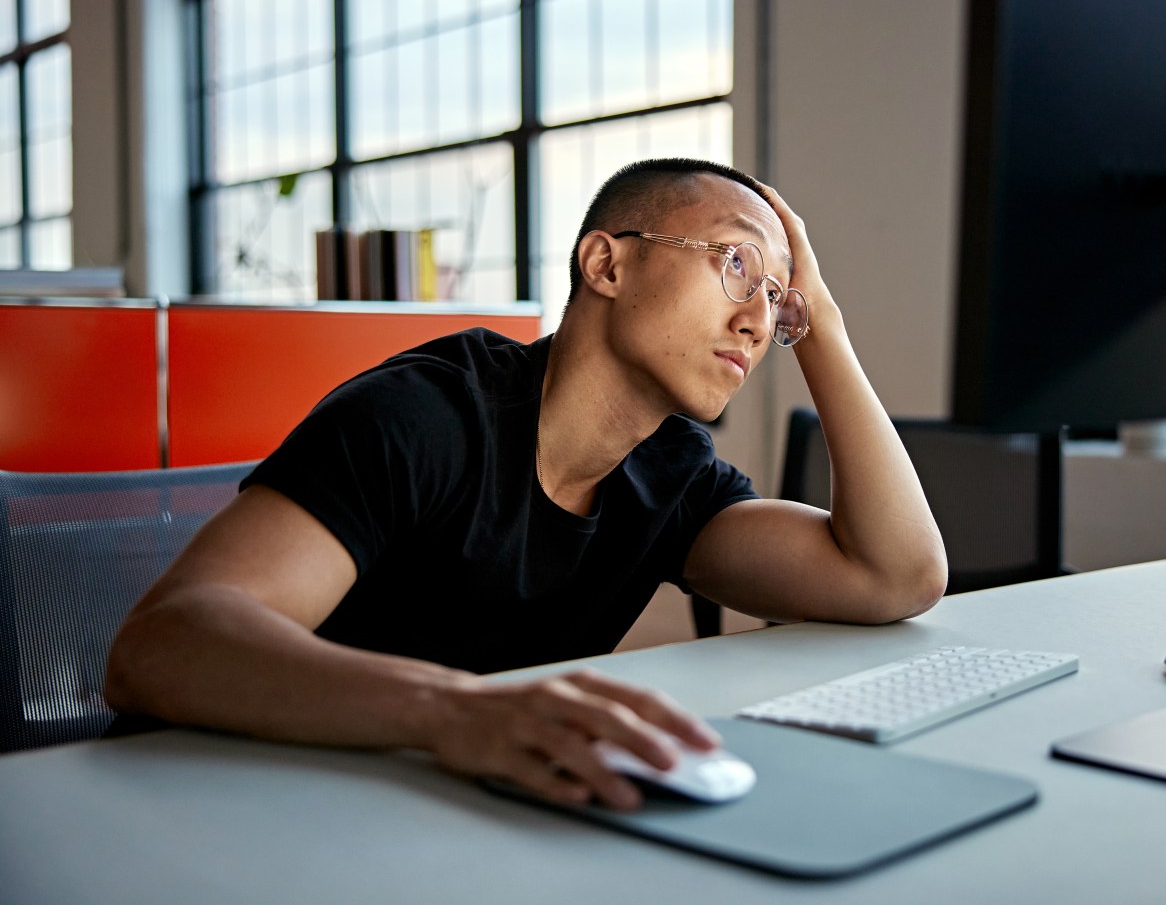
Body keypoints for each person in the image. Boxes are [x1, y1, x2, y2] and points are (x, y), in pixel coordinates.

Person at [105, 157, 947, 811]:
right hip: (216, 802)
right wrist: (456, 712)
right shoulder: (425, 416)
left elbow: (894, 575)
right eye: (734, 262)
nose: (758, 318)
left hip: (417, 809)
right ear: (605, 265)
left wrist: (822, 325)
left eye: (776, 296)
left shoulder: (670, 477)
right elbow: (161, 647)